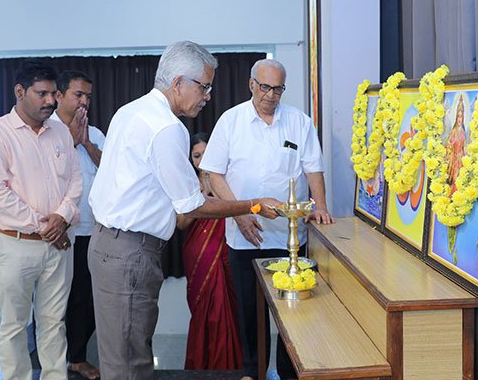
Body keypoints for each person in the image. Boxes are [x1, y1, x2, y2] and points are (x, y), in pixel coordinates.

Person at [87, 41, 282, 380]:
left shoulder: (130, 110)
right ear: (178, 83)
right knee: (129, 364)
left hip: (108, 244)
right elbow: (192, 205)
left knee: (121, 355)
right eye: (204, 86)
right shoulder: (167, 128)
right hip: (130, 252)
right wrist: (253, 204)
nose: (207, 96)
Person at [199, 58, 334, 380]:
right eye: (264, 87)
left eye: (278, 89)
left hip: (290, 239)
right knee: (250, 310)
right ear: (251, 85)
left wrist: (321, 206)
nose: (271, 95)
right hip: (244, 236)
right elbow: (214, 173)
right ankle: (253, 371)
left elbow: (313, 169)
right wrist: (240, 213)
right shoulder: (230, 121)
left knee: (293, 311)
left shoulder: (299, 122)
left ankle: (289, 372)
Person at [0, 59, 82, 380]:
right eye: (42, 94)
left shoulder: (60, 132)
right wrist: (47, 226)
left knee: (54, 323)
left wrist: (62, 217)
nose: (51, 101)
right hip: (16, 244)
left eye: (53, 94)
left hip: (58, 245)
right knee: (14, 325)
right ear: (20, 92)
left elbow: (75, 181)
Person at [53, 70, 105, 379]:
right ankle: (53, 360)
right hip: (59, 231)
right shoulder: (45, 131)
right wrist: (70, 141)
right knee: (56, 300)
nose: (84, 101)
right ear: (59, 96)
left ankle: (77, 357)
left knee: (87, 299)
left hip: (92, 230)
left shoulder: (95, 133)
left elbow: (111, 169)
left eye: (88, 96)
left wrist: (85, 142)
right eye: (78, 95)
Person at [177, 133, 242, 370]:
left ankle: (230, 364)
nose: (202, 160)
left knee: (226, 306)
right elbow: (180, 224)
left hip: (225, 249)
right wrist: (199, 200)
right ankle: (202, 363)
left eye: (206, 154)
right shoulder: (186, 183)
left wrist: (217, 195)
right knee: (203, 307)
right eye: (197, 156)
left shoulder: (226, 181)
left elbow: (240, 210)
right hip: (198, 252)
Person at [446, 95, 467, 195]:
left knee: (460, 178)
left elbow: (464, 146)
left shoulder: (463, 131)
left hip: (461, 158)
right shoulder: (453, 131)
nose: (460, 119)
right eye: (458, 117)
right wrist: (451, 146)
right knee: (454, 177)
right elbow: (449, 143)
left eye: (461, 117)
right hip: (454, 159)